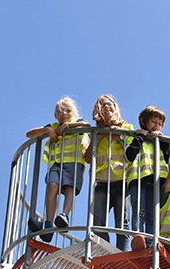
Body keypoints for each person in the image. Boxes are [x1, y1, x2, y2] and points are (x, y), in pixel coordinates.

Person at [27, 96, 90, 242]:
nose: (64, 114)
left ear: (74, 113)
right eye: (60, 111)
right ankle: (48, 224)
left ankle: (64, 215)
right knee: (52, 186)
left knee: (69, 188)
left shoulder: (77, 123)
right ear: (56, 114)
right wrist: (48, 130)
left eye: (68, 111)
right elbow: (29, 134)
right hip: (56, 163)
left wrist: (67, 127)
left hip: (74, 162)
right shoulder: (53, 125)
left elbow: (86, 125)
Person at [84, 94, 134, 251]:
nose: (108, 106)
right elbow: (87, 158)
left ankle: (122, 257)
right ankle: (105, 252)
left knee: (122, 223)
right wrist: (99, 136)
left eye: (111, 104)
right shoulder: (93, 132)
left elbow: (131, 154)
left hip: (121, 181)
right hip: (101, 181)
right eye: (104, 104)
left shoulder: (127, 128)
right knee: (97, 223)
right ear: (99, 109)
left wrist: (118, 136)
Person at [125, 105, 170, 244]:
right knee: (138, 210)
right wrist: (140, 137)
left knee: (151, 214)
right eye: (154, 122)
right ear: (143, 121)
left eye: (160, 124)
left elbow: (169, 158)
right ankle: (138, 238)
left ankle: (150, 243)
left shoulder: (162, 141)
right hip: (137, 177)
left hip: (156, 180)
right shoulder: (134, 137)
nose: (157, 126)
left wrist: (163, 141)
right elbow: (129, 155)